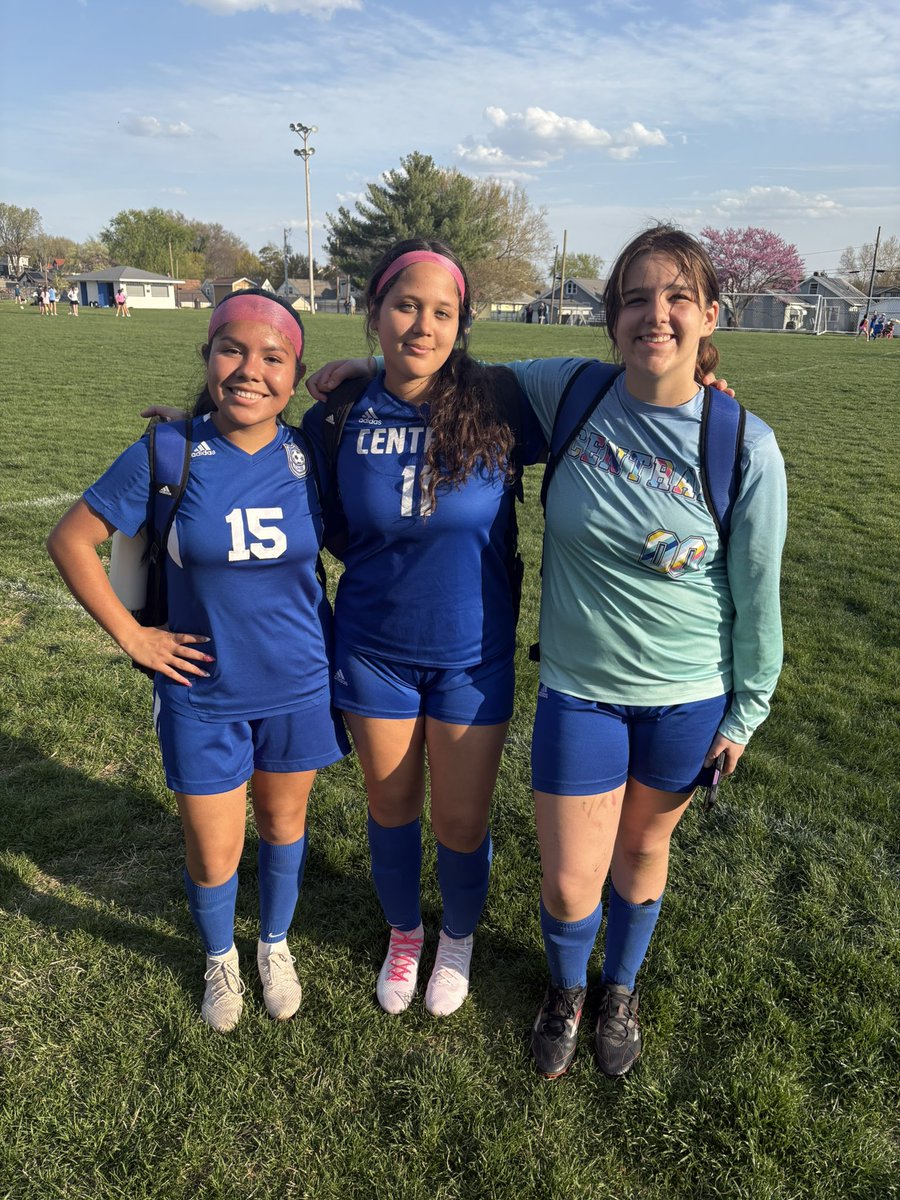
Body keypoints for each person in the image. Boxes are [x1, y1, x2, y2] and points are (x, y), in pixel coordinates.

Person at [307, 225, 781, 1078]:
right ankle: (512, 973)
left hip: (647, 683)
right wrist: (361, 378)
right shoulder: (568, 394)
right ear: (611, 316)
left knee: (628, 850)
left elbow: (758, 590)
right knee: (541, 873)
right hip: (558, 684)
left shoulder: (730, 439)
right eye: (637, 298)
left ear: (711, 315)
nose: (656, 315)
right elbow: (419, 384)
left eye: (678, 299)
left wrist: (747, 709)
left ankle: (582, 979)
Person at [47, 288, 349, 1033]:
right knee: (214, 851)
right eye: (232, 350)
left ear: (296, 371)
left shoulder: (313, 451)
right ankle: (221, 957)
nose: (250, 370)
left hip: (298, 685)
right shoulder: (170, 452)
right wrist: (133, 636)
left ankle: (273, 945)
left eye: (273, 357)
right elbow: (70, 541)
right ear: (207, 357)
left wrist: (365, 366)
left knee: (284, 829)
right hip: (202, 692)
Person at [302, 239, 545, 1019]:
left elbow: (612, 397)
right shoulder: (339, 411)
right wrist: (184, 428)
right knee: (392, 806)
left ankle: (459, 940)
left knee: (462, 819)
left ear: (462, 323)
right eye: (406, 305)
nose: (422, 325)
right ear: (374, 311)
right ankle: (406, 932)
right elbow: (255, 446)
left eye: (443, 312)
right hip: (373, 648)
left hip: (473, 655)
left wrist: (698, 375)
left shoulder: (501, 403)